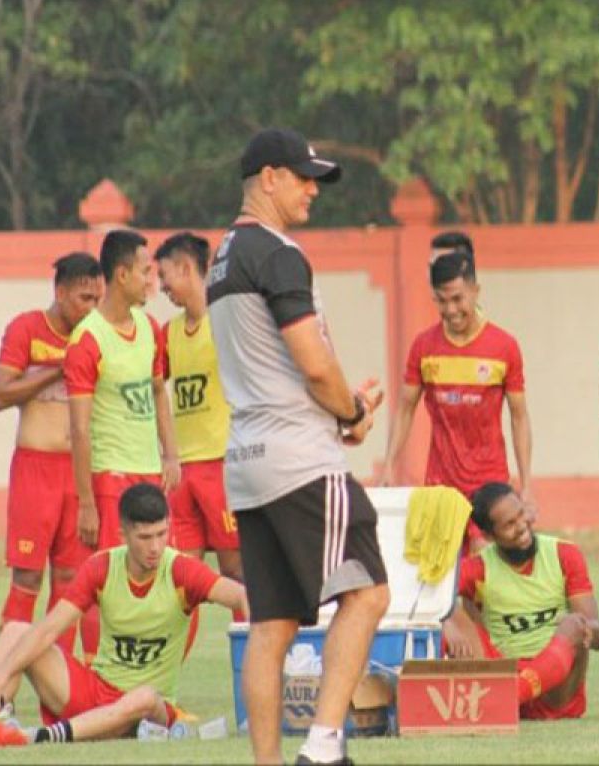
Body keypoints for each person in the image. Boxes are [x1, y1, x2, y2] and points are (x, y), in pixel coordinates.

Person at [207, 127, 387, 766]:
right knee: (368, 592)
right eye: (304, 176)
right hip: (299, 460)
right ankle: (323, 745)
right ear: (268, 179)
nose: (314, 189)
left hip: (248, 465)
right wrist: (353, 410)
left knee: (272, 626)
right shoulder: (278, 252)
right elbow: (312, 363)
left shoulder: (222, 257)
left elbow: (267, 367)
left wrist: (338, 413)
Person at [0, 484, 248, 748]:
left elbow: (241, 596)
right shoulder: (102, 566)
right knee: (17, 630)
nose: (155, 547)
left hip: (147, 713)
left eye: (162, 534)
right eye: (145, 537)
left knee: (146, 696)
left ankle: (34, 737)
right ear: (123, 534)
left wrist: (254, 660)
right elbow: (49, 629)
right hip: (96, 694)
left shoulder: (179, 569)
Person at [0, 253, 102, 685]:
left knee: (73, 582)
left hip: (77, 475)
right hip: (35, 471)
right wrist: (58, 367)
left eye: (97, 298)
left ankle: (59, 692)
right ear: (60, 292)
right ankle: (2, 688)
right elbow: (0, 394)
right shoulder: (27, 329)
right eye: (83, 298)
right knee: (27, 576)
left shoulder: (96, 337)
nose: (90, 308)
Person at [381, 253, 536, 533]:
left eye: (457, 299)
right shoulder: (424, 347)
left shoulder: (504, 347)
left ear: (475, 291)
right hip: (441, 487)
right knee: (443, 569)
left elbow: (519, 418)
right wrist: (390, 465)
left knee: (484, 568)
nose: (450, 309)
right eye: (441, 300)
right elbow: (405, 408)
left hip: (491, 488)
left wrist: (526, 485)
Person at [444, 482, 599, 720]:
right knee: (447, 609)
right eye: (509, 524)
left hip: (556, 691)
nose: (522, 527)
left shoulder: (565, 555)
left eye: (521, 514)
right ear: (489, 536)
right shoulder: (478, 568)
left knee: (574, 622)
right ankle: (508, 694)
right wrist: (448, 626)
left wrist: (584, 630)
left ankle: (511, 695)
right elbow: (424, 594)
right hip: (505, 673)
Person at [155, 232, 245, 647]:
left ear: (187, 268)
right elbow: (155, 389)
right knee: (180, 586)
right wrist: (168, 454)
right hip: (183, 475)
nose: (161, 287)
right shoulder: (170, 333)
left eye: (165, 275)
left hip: (222, 466)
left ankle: (253, 680)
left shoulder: (227, 321)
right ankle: (163, 691)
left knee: (238, 575)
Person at [65, 230, 181, 552]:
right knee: (115, 582)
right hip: (110, 479)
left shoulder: (150, 328)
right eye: (146, 272)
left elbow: (158, 392)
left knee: (159, 574)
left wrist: (170, 455)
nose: (151, 282)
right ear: (121, 274)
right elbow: (79, 428)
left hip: (152, 476)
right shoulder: (87, 340)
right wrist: (87, 502)